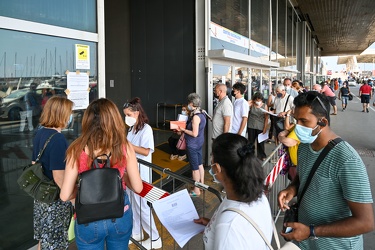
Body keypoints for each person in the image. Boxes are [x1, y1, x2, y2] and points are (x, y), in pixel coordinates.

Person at [277, 91, 374, 249]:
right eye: (296, 120)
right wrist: (292, 189)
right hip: (306, 243)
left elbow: (366, 222)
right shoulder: (303, 146)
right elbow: (304, 176)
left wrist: (311, 231)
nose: (297, 127)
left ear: (322, 122)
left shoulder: (347, 160)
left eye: (304, 121)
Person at [60, 98, 143, 249]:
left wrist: (83, 189)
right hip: (120, 214)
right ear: (115, 120)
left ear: (87, 121)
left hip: (88, 218)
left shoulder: (76, 149)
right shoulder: (125, 146)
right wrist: (122, 177)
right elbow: (138, 187)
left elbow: (65, 195)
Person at [194, 133, 273, 249]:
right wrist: (213, 226)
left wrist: (223, 226)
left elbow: (233, 228)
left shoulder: (229, 227)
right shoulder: (259, 196)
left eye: (212, 158)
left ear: (217, 168)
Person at [32, 96, 74, 249]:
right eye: (69, 112)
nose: (71, 116)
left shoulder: (40, 133)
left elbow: (34, 164)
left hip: (41, 197)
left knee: (43, 240)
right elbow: (59, 177)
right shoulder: (57, 139)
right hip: (55, 201)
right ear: (61, 114)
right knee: (55, 242)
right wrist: (73, 199)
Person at [122, 97, 162, 249]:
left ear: (137, 113)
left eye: (129, 115)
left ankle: (155, 237)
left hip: (141, 173)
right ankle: (136, 232)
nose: (127, 118)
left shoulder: (146, 129)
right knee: (133, 204)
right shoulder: (131, 129)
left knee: (143, 206)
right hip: (131, 171)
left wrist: (128, 146)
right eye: (125, 115)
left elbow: (146, 151)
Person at [178, 93, 207, 197]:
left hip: (193, 145)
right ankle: (201, 185)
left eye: (188, 103)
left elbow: (194, 133)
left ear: (191, 103)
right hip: (199, 143)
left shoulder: (195, 117)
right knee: (200, 165)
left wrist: (183, 130)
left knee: (194, 169)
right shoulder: (202, 113)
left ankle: (196, 190)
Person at [247, 92, 268, 160]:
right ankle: (250, 155)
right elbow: (246, 104)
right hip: (251, 125)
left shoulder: (264, 106)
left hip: (260, 126)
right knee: (251, 141)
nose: (258, 102)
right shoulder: (252, 105)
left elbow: (266, 118)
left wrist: (265, 128)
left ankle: (261, 155)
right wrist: (252, 101)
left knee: (260, 142)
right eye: (257, 100)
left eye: (259, 100)